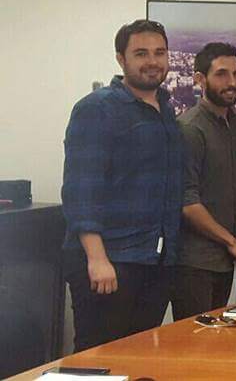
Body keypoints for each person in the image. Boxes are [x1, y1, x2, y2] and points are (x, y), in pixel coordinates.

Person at [61, 19, 183, 351]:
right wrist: (97, 259)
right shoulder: (97, 109)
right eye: (141, 53)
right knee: (97, 359)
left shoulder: (166, 109)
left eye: (159, 52)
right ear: (121, 59)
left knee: (137, 356)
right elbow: (81, 189)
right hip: (110, 260)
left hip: (154, 261)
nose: (152, 61)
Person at [171, 42, 236, 320]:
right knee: (195, 339)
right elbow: (187, 202)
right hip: (194, 262)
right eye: (221, 74)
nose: (232, 83)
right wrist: (230, 241)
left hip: (223, 261)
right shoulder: (190, 128)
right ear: (199, 79)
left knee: (217, 339)